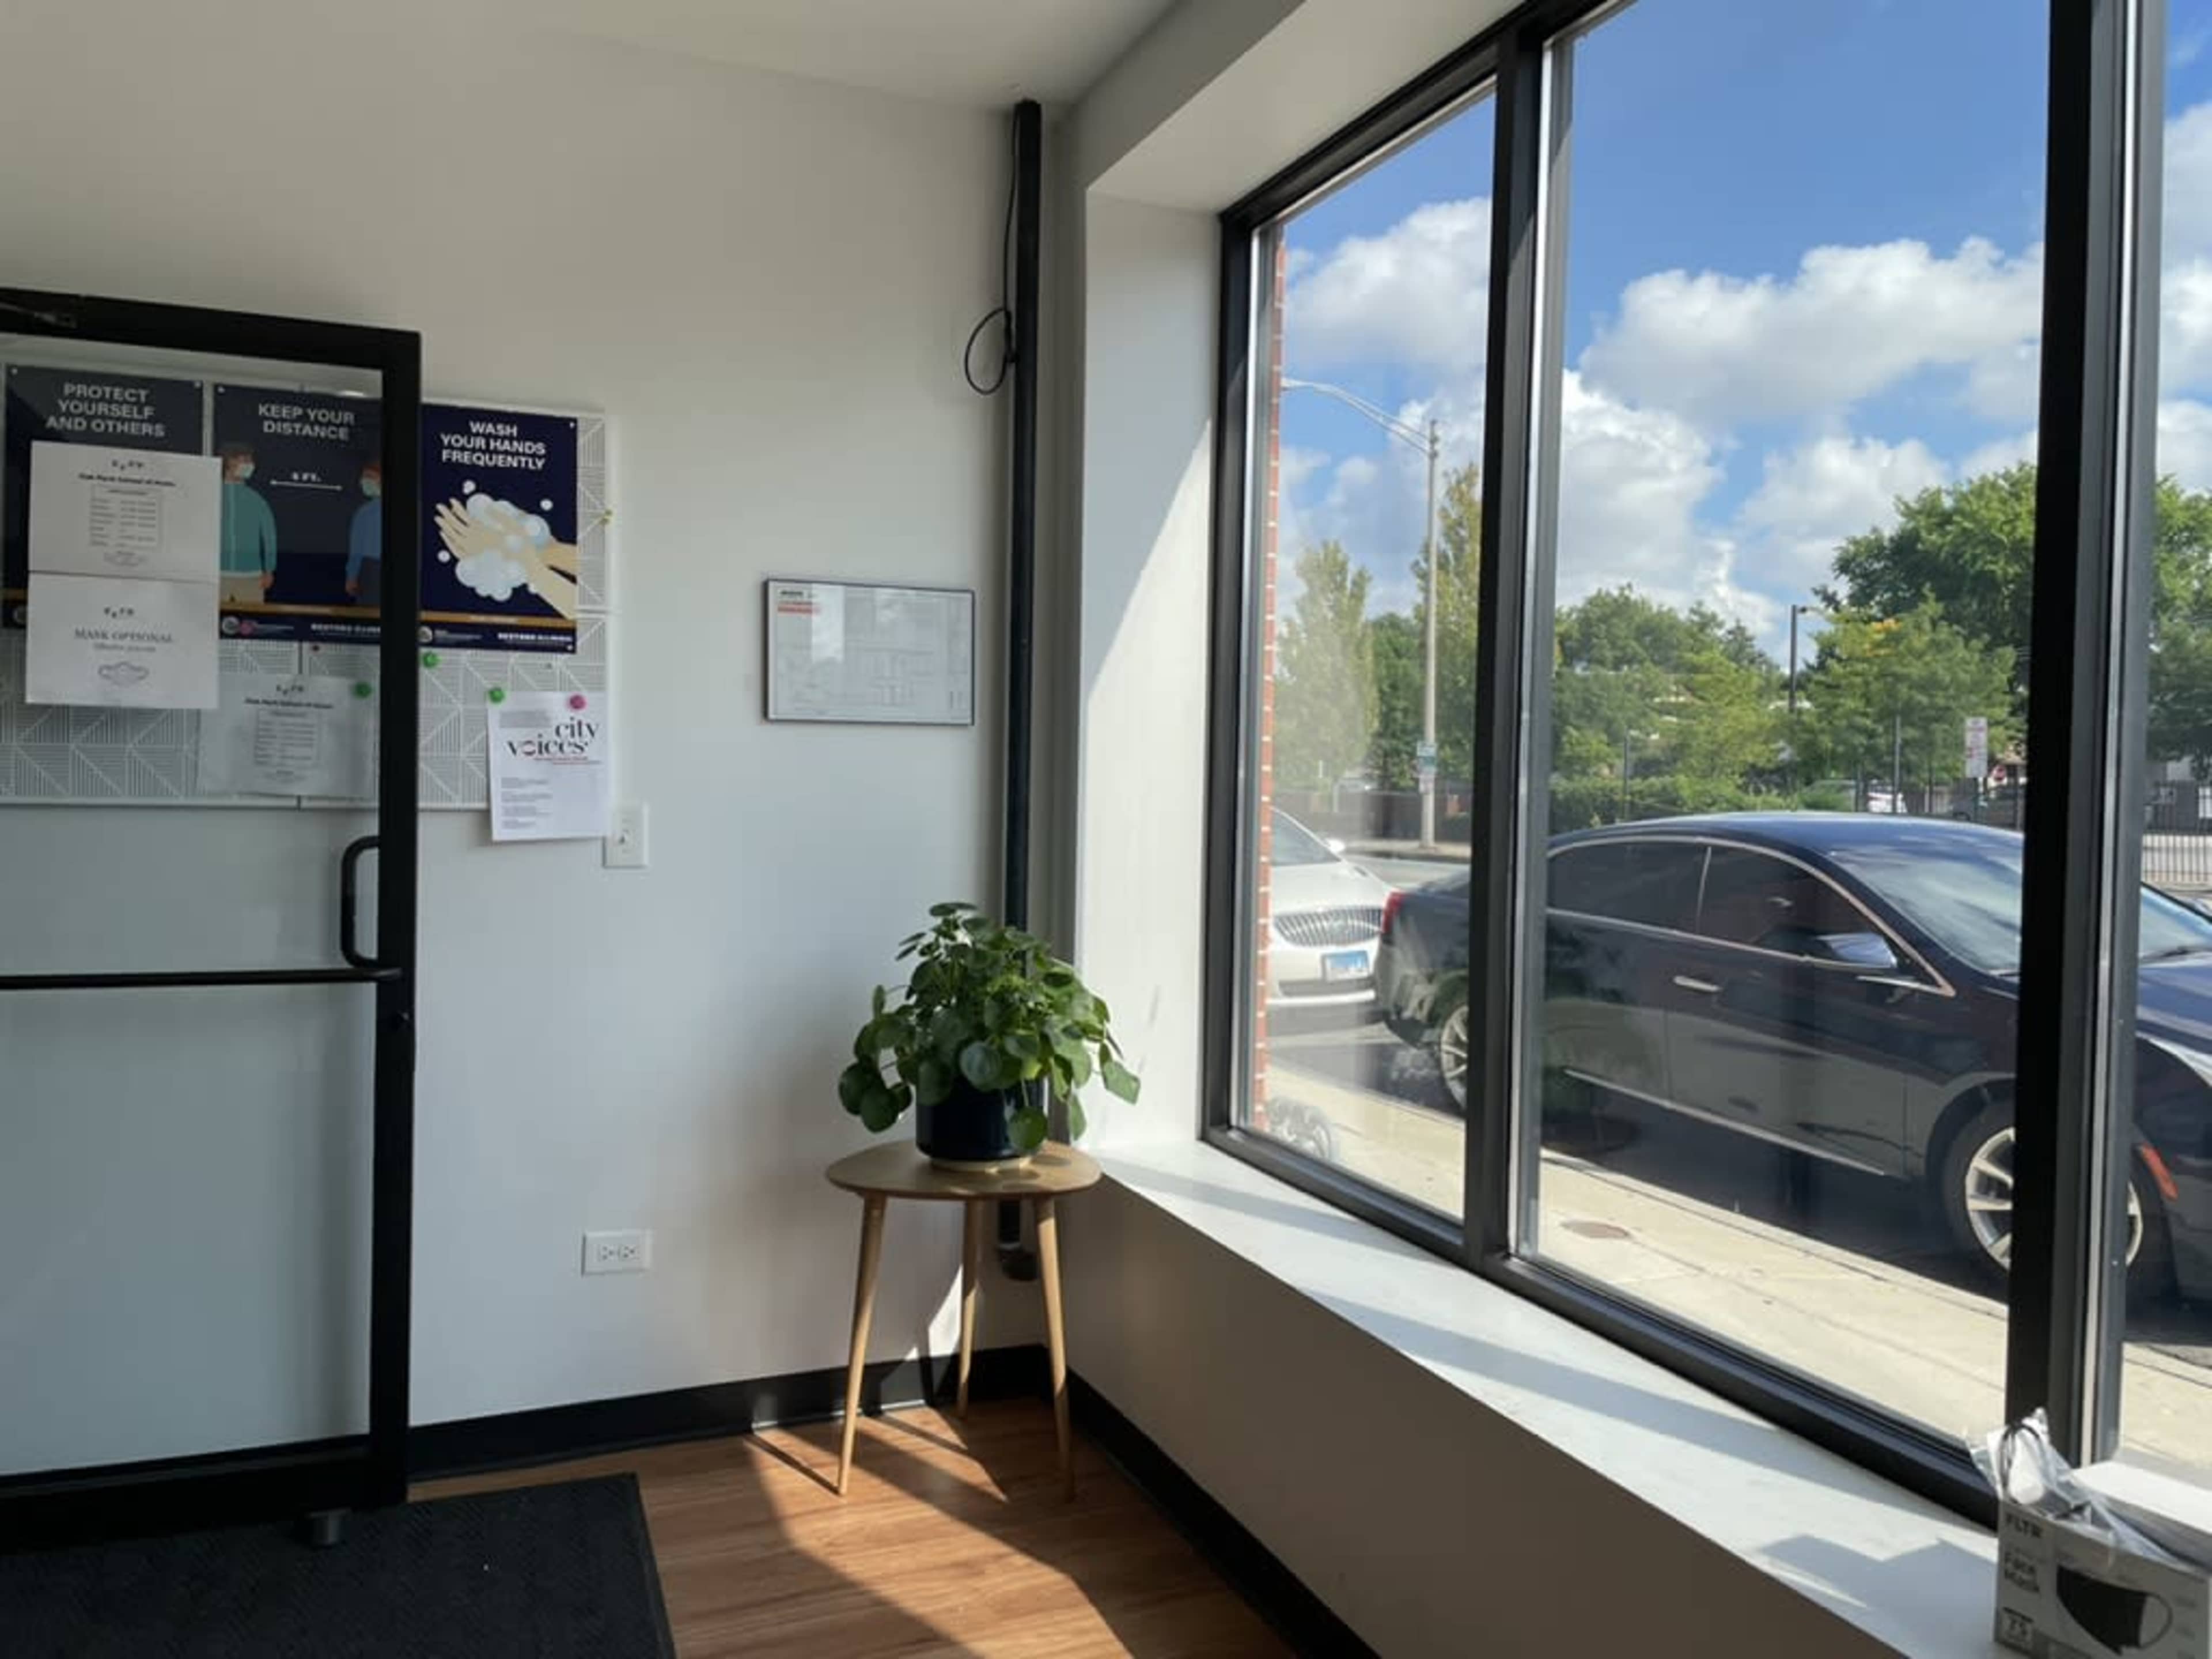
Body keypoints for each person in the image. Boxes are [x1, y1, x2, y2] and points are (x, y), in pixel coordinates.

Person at [218, 444, 278, 608]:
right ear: (229, 462)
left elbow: (269, 536)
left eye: (251, 461)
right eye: (244, 460)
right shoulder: (212, 494)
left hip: (252, 577)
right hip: (216, 575)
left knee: (251, 620)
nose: (250, 465)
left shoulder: (256, 500)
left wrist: (269, 570)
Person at [344, 460, 382, 608]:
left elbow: (357, 549)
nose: (364, 482)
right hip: (371, 569)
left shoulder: (365, 512)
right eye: (364, 478)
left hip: (370, 570)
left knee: (369, 615)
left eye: (370, 477)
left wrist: (351, 577)